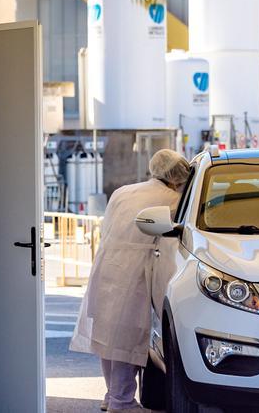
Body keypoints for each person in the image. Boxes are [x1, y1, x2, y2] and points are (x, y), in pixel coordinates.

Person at [70, 150, 192, 413]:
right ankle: (121, 402)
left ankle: (112, 395)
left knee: (108, 336)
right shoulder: (173, 198)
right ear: (177, 177)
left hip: (107, 265)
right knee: (129, 337)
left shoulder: (123, 191)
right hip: (135, 271)